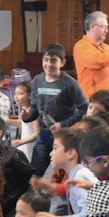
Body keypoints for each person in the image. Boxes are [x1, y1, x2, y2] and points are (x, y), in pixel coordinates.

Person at [24, 44, 88, 175]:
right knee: (35, 172)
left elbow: (83, 108)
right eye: (46, 60)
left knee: (59, 175)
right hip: (44, 134)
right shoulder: (37, 81)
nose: (48, 64)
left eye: (53, 60)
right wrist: (27, 117)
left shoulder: (70, 83)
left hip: (63, 136)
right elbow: (35, 110)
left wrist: (63, 124)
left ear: (62, 63)